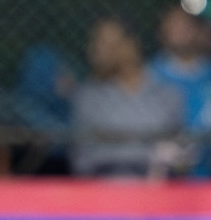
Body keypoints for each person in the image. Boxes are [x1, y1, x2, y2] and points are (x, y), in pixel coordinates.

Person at [72, 15, 190, 178]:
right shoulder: (88, 96)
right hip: (104, 190)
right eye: (96, 43)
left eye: (107, 44)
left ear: (130, 46)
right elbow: (83, 160)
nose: (96, 51)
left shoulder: (168, 95)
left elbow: (180, 158)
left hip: (157, 188)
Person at [149, 6, 211, 175]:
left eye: (185, 26)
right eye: (172, 26)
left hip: (210, 176)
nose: (179, 32)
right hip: (162, 176)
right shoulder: (150, 75)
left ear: (198, 31)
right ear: (162, 32)